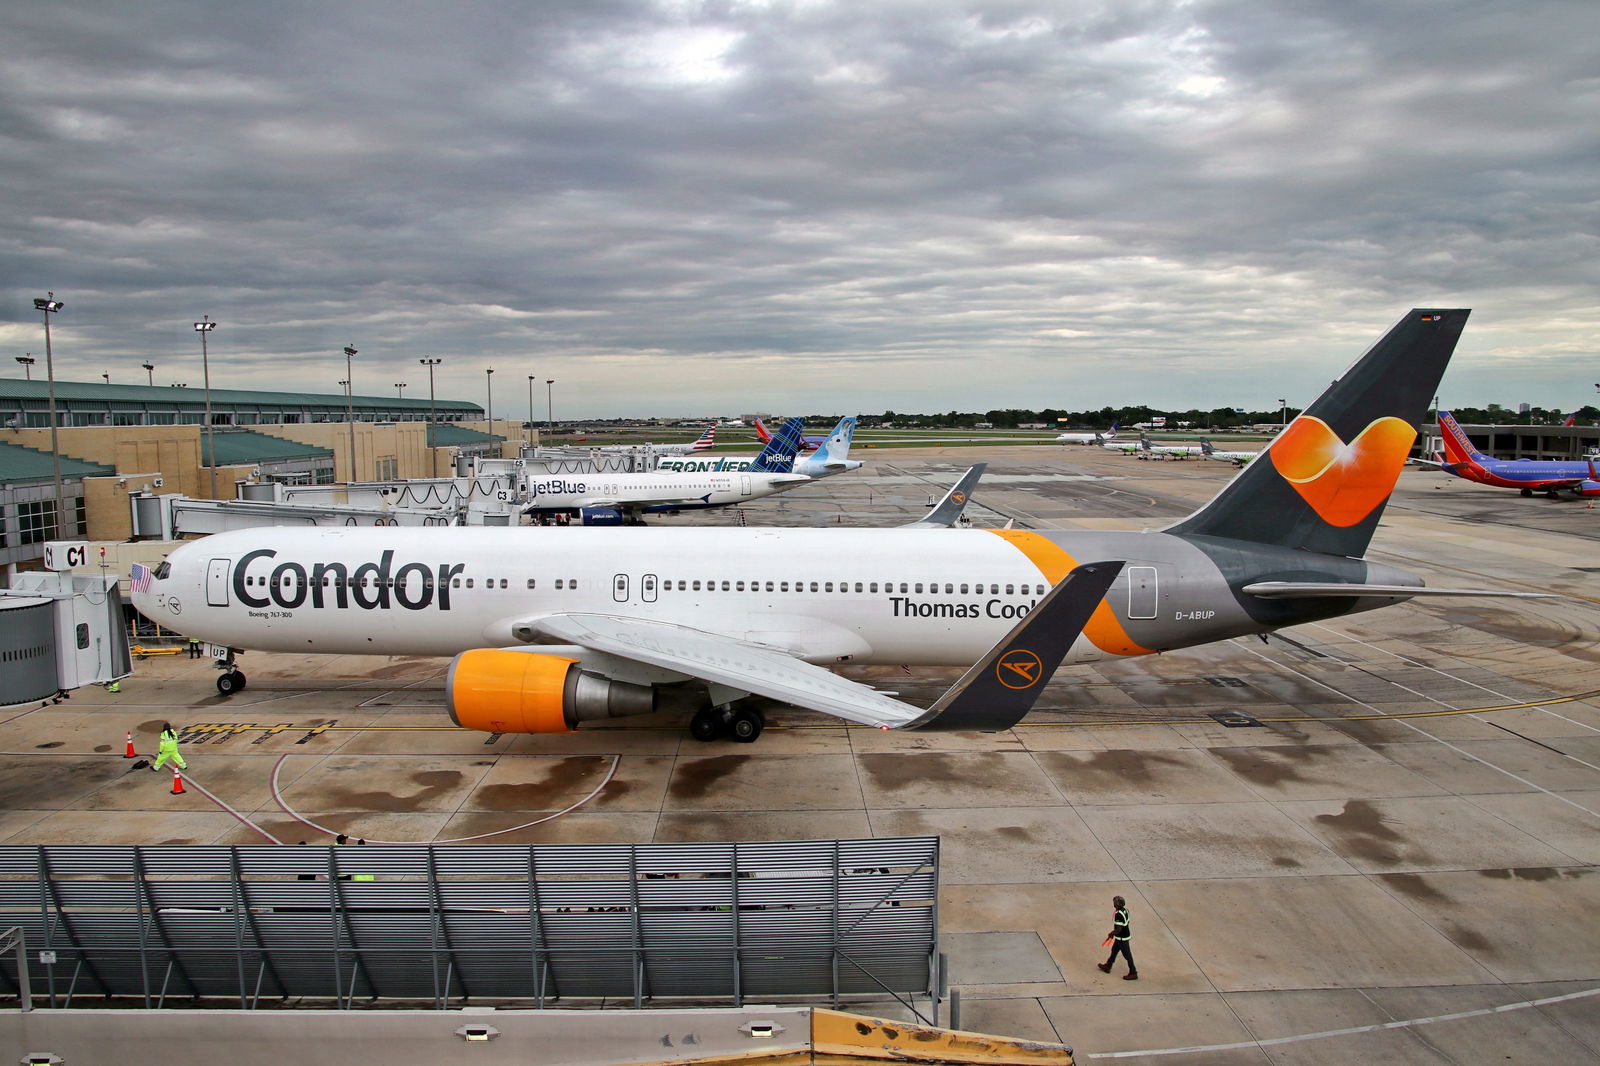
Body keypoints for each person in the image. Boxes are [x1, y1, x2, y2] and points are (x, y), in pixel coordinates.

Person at [1098, 895, 1137, 980]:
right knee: (1114, 951)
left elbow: (1118, 929)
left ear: (1117, 905)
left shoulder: (1118, 915)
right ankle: (1108, 965)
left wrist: (1111, 934)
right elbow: (1127, 921)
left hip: (1122, 938)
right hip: (1122, 936)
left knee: (1127, 955)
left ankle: (1133, 972)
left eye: (1114, 902)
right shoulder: (1125, 910)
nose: (1113, 904)